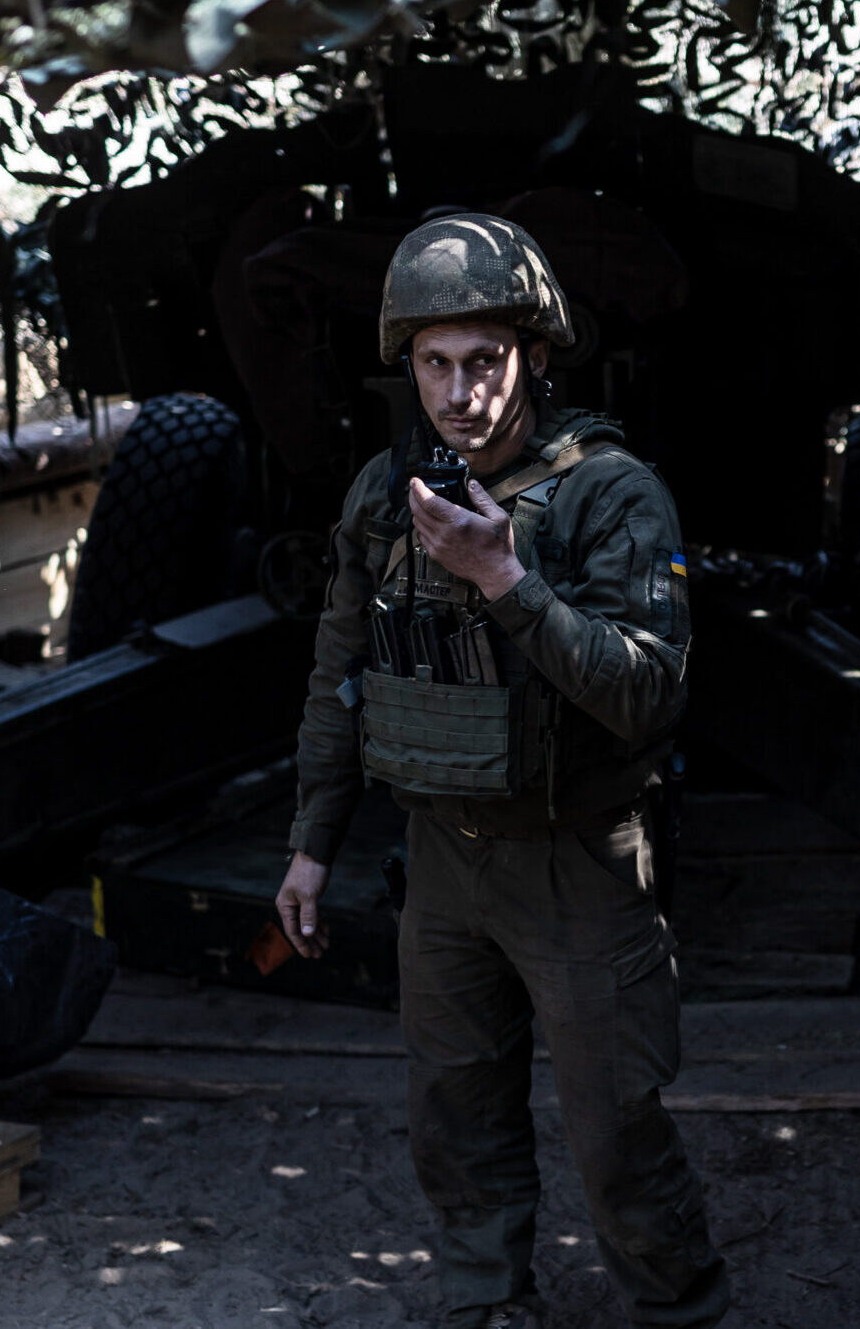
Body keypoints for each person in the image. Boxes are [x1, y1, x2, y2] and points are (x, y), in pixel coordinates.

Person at [272, 213, 728, 1329]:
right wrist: (311, 840)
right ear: (407, 364)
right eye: (435, 363)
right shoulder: (387, 494)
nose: (460, 392)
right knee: (456, 1112)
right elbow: (341, 667)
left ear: (532, 357)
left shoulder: (611, 494)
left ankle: (681, 1309)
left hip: (576, 859)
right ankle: (487, 1303)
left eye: (484, 361)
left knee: (614, 1128)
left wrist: (503, 579)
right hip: (441, 862)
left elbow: (648, 693)